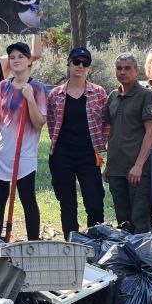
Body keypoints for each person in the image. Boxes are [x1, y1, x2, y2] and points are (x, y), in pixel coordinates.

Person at [0, 41, 48, 241]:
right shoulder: (2, 86)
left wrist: (30, 98)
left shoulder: (37, 88)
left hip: (24, 155)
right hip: (1, 154)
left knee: (28, 200)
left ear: (29, 61)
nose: (16, 60)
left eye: (20, 56)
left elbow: (39, 123)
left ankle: (33, 244)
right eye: (12, 57)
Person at [47, 47, 109, 237]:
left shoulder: (99, 93)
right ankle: (71, 242)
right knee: (67, 203)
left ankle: (96, 242)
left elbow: (106, 123)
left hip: (89, 155)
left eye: (85, 63)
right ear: (69, 64)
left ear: (88, 67)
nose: (80, 66)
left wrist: (101, 144)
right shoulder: (55, 94)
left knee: (95, 201)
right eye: (76, 62)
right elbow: (51, 122)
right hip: (62, 155)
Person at [105, 52, 152, 233]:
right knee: (123, 221)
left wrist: (138, 165)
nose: (123, 72)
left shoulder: (145, 95)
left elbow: (151, 132)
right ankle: (126, 260)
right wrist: (108, 166)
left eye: (128, 68)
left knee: (140, 219)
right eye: (119, 68)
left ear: (136, 71)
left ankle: (143, 260)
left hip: (136, 170)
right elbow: (111, 132)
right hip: (115, 169)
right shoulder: (112, 96)